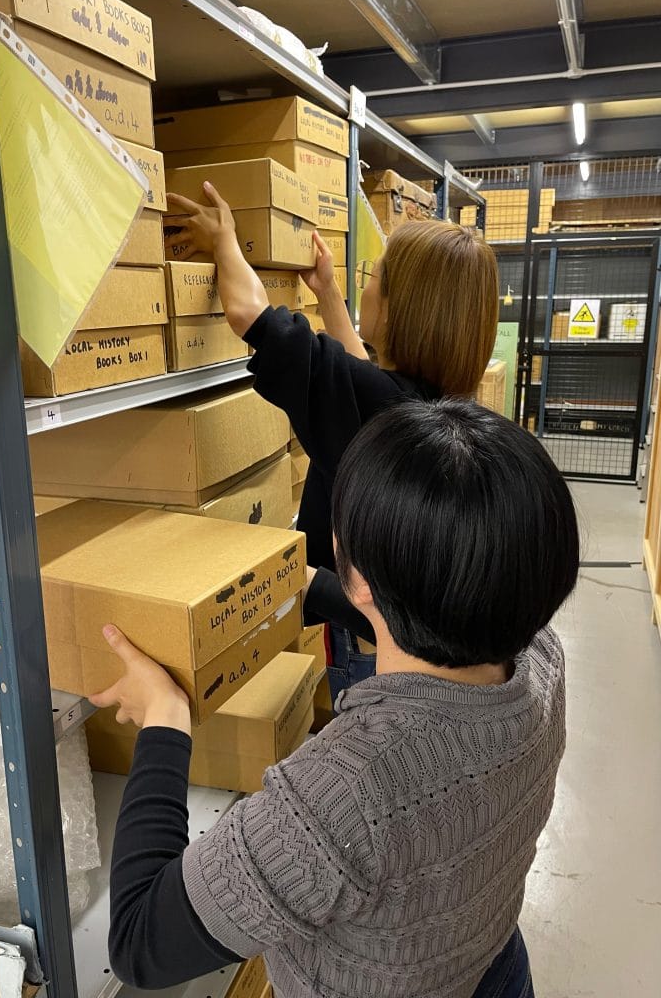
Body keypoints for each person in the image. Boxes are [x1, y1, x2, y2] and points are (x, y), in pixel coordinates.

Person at [91, 397, 579, 998]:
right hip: (494, 967)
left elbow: (140, 941)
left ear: (363, 578)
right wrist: (311, 588)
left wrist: (164, 719)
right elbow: (456, 613)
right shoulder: (543, 660)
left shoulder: (346, 793)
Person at [164, 183, 500, 698]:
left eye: (373, 276)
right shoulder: (439, 411)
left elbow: (252, 317)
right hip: (403, 639)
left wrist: (225, 239)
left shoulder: (377, 405)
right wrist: (326, 292)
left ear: (398, 307)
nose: (365, 286)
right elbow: (359, 376)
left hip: (372, 654)